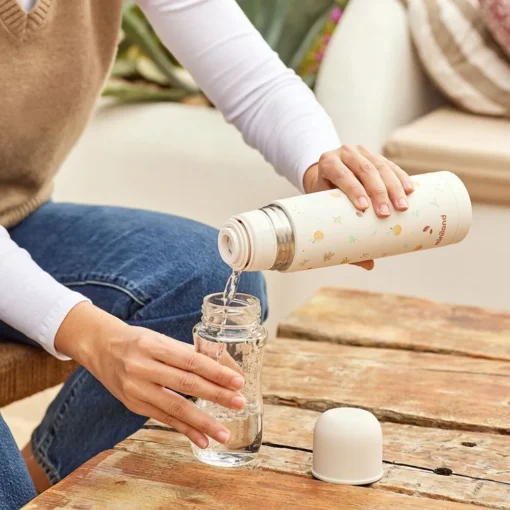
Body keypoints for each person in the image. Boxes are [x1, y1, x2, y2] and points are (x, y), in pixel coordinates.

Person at [0, 0, 414, 507]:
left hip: (16, 220)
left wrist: (319, 162)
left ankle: (44, 483)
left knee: (206, 275)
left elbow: (252, 81)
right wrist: (87, 333)